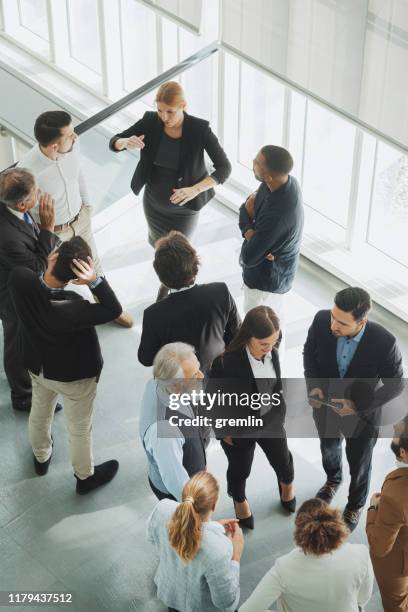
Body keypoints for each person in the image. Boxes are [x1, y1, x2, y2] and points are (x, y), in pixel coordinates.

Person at [8, 237, 122, 494]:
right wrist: (94, 281)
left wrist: (46, 270)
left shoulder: (20, 279)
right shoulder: (75, 307)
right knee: (79, 428)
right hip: (73, 376)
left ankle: (41, 456)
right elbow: (113, 309)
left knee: (40, 409)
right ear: (76, 277)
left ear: (52, 258)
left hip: (37, 366)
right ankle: (84, 477)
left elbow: (38, 282)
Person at [109, 81, 231, 296]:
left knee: (180, 254)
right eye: (160, 110)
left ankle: (169, 290)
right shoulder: (150, 121)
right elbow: (114, 141)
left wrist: (195, 189)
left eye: (170, 112)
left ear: (183, 105)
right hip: (154, 204)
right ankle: (166, 286)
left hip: (185, 208)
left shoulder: (199, 129)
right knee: (160, 251)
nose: (164, 117)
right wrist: (125, 142)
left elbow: (224, 168)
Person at [18, 110, 133, 328]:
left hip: (81, 218)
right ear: (53, 146)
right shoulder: (29, 171)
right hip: (56, 232)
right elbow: (26, 210)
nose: (76, 137)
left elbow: (78, 173)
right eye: (70, 135)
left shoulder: (72, 145)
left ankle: (108, 305)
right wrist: (45, 232)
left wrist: (87, 206)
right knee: (55, 275)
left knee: (93, 262)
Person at [304, 286, 404, 531]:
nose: (333, 325)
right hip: (325, 406)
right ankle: (332, 479)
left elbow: (396, 383)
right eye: (333, 316)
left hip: (363, 416)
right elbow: (309, 353)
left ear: (362, 322)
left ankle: (355, 505)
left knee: (360, 462)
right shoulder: (321, 320)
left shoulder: (384, 341)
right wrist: (314, 386)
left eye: (342, 323)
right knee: (329, 447)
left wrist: (358, 406)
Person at [209, 306, 296, 530]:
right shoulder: (225, 363)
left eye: (274, 342)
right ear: (248, 337)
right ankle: (239, 499)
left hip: (271, 422)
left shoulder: (273, 353)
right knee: (240, 469)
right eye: (264, 344)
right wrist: (223, 433)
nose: (270, 349)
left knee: (283, 461)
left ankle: (287, 486)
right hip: (240, 429)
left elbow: (276, 387)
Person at [239, 497, 373, 612]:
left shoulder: (284, 567)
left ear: (299, 530)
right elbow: (362, 599)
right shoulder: (361, 553)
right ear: (335, 523)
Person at [0, 167, 61, 412]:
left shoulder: (13, 207)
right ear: (23, 205)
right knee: (17, 341)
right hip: (10, 292)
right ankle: (23, 396)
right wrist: (48, 228)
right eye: (36, 192)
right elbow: (36, 267)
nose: (41, 194)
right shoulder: (8, 237)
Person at [138, 231, 240, 374]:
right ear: (195, 264)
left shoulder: (153, 315)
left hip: (181, 380)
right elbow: (236, 333)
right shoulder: (220, 291)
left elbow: (146, 359)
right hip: (220, 372)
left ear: (161, 275)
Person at [147, 471, 243, 612]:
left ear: (185, 495)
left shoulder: (162, 509)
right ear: (214, 505)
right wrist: (236, 555)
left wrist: (213, 527)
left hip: (171, 596)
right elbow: (225, 601)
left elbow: (151, 538)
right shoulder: (219, 550)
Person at [238, 145, 303, 336]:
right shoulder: (281, 182)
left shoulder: (278, 215)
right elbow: (249, 207)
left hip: (266, 283)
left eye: (257, 163)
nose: (252, 163)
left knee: (260, 327)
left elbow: (249, 256)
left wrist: (248, 222)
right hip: (268, 266)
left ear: (268, 176)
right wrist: (252, 229)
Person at [139, 342, 207, 501]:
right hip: (178, 496)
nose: (201, 376)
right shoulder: (165, 433)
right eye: (195, 374)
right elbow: (177, 483)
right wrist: (199, 512)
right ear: (176, 386)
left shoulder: (158, 382)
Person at [366, 424, 408, 611]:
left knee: (396, 603)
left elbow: (380, 547)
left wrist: (373, 508)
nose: (396, 425)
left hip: (399, 563)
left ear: (404, 454)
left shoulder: (396, 495)